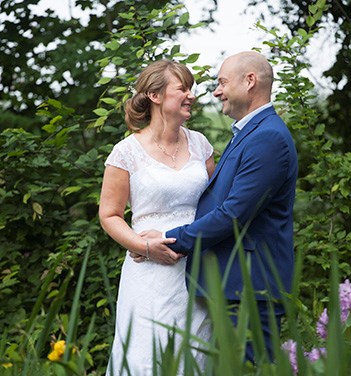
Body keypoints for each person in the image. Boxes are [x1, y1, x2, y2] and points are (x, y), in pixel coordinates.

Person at [138, 51, 298, 363]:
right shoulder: (248, 133)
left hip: (252, 286)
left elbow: (233, 214)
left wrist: (170, 239)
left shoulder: (268, 137)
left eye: (222, 82)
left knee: (255, 368)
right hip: (234, 285)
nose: (215, 91)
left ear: (249, 81)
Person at [98, 59, 215, 375]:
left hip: (197, 270)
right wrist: (143, 246)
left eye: (191, 88)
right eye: (183, 88)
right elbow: (109, 214)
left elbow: (215, 205)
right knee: (146, 358)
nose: (191, 94)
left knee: (196, 357)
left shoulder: (201, 145)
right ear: (155, 95)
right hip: (150, 274)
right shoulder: (126, 152)